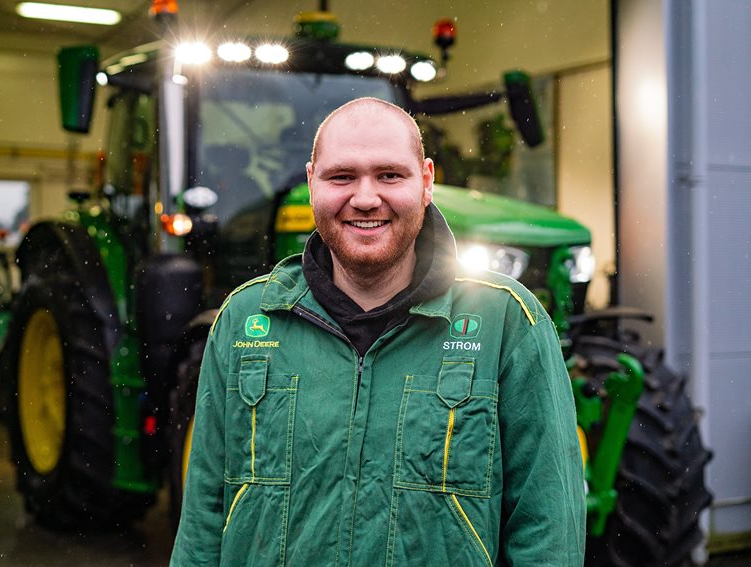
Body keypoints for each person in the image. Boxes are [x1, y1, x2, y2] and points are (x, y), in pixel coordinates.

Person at [171, 98, 585, 566]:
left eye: (389, 175)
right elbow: (203, 522)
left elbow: (548, 535)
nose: (365, 198)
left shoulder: (507, 324)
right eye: (341, 176)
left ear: (426, 182)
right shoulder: (245, 322)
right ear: (312, 183)